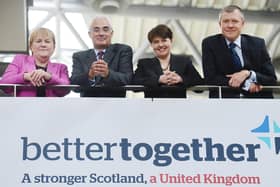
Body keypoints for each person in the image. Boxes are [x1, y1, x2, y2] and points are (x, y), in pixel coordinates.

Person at [202, 5, 277, 98]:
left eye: (235, 21)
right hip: (225, 103)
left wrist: (248, 74)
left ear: (242, 24)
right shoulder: (210, 44)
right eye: (226, 21)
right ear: (219, 24)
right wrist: (246, 84)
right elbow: (210, 78)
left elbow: (271, 79)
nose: (230, 25)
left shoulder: (258, 44)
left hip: (257, 103)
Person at [133, 24, 203, 98]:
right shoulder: (144, 63)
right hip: (152, 107)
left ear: (171, 41)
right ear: (151, 45)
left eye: (164, 40)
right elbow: (134, 83)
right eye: (156, 42)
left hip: (178, 107)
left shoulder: (184, 61)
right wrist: (158, 80)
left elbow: (200, 84)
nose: (160, 45)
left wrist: (181, 79)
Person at [70, 16, 133, 97]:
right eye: (96, 30)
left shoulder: (123, 51)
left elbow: (128, 79)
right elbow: (74, 84)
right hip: (87, 106)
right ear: (90, 34)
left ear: (111, 33)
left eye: (105, 29)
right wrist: (89, 75)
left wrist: (108, 74)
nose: (101, 33)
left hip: (116, 105)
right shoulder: (79, 56)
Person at [0, 28, 70, 97]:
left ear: (54, 46)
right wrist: (25, 76)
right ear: (31, 46)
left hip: (52, 108)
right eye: (38, 41)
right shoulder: (20, 60)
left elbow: (66, 90)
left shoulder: (61, 67)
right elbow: (4, 84)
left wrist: (49, 77)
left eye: (47, 41)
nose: (43, 45)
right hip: (24, 107)